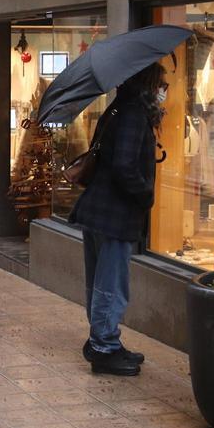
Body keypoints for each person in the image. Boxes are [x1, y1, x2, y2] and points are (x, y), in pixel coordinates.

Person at [69, 62, 166, 377]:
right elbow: (125, 166)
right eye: (161, 84)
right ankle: (104, 347)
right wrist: (145, 194)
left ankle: (104, 340)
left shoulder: (116, 108)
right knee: (111, 285)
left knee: (99, 282)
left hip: (99, 209)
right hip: (114, 214)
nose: (163, 90)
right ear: (148, 83)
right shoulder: (133, 114)